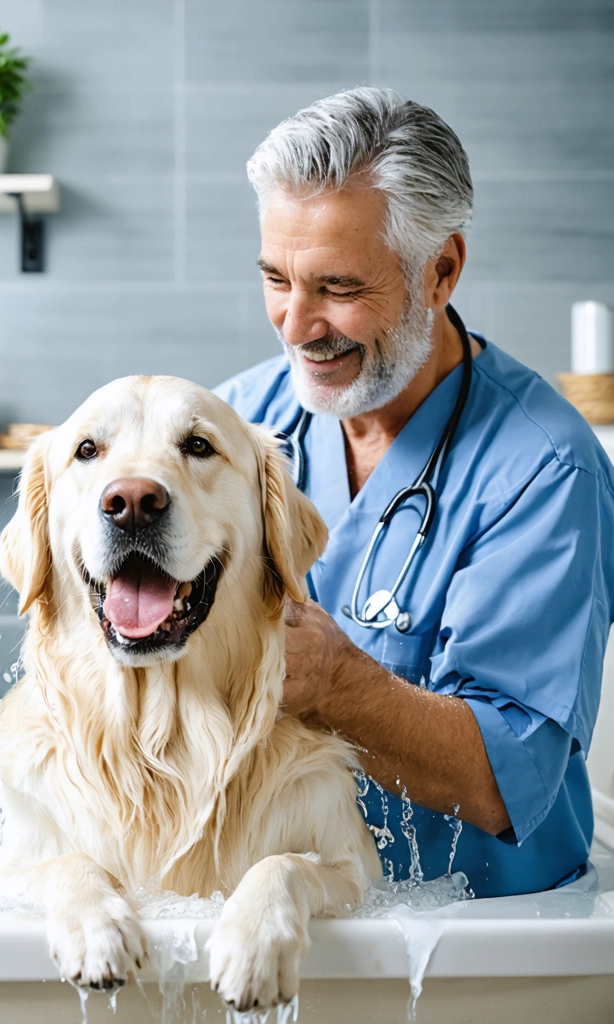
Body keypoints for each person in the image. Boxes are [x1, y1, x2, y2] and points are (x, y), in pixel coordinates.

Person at [215, 87, 614, 898]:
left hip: (484, 929)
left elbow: (508, 781)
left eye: (338, 288)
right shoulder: (235, 426)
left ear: (441, 271)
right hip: (291, 905)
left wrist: (333, 679)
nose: (296, 324)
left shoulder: (542, 470)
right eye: (276, 279)